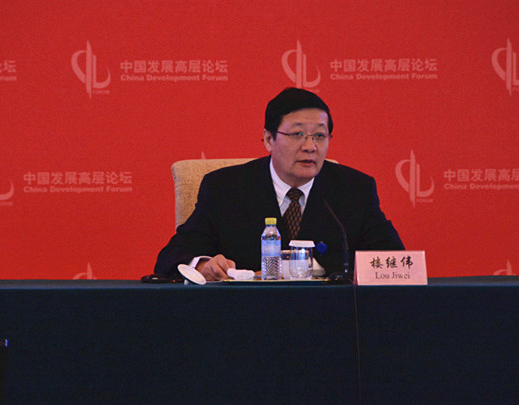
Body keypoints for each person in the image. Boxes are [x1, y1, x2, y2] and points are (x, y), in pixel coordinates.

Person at [155, 87, 404, 281]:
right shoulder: (225, 188)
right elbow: (171, 257)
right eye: (297, 134)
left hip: (329, 317)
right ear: (268, 139)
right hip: (245, 316)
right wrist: (202, 265)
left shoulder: (354, 189)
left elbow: (394, 262)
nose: (310, 146)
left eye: (320, 135)